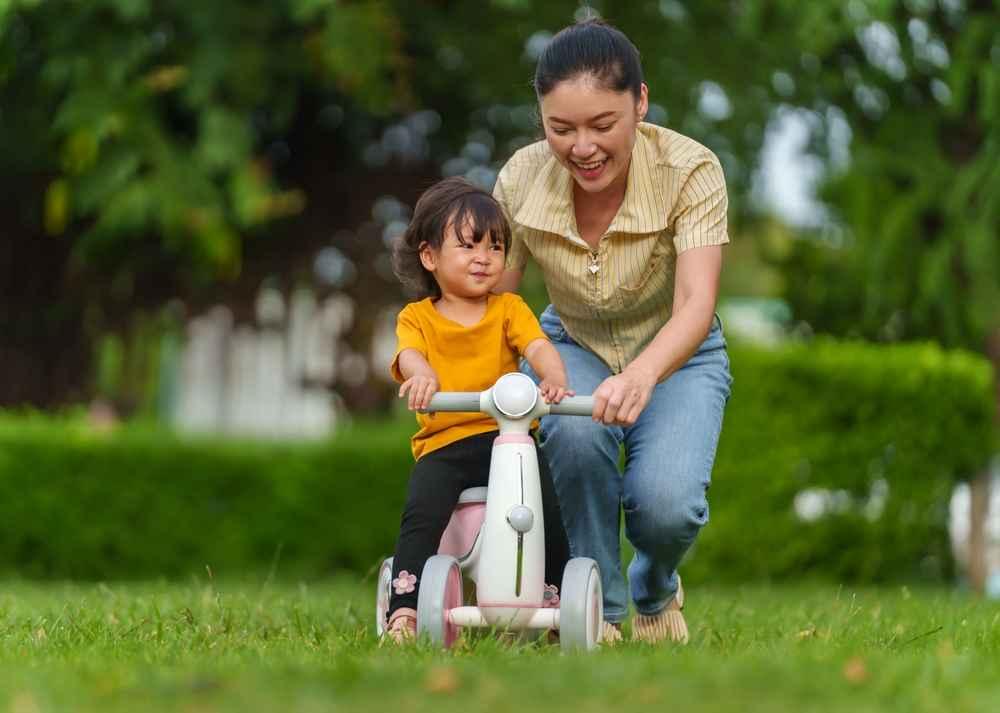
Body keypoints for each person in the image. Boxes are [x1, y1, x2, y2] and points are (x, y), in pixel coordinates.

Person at [493, 18, 733, 645]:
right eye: (561, 128)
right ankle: (599, 612)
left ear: (641, 103)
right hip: (568, 344)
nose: (583, 147)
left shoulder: (691, 170)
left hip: (679, 353)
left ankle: (656, 588)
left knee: (666, 507)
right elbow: (498, 304)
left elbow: (696, 303)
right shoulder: (521, 179)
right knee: (571, 436)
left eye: (603, 125)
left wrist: (642, 374)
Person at [384, 177, 573, 643]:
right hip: (445, 443)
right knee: (422, 513)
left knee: (545, 507)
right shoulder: (417, 317)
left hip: (507, 439)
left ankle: (556, 596)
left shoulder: (508, 308)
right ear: (429, 257)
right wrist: (422, 375)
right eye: (468, 246)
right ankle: (405, 608)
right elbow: (409, 356)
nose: (484, 257)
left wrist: (553, 376)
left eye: (495, 246)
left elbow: (537, 345)